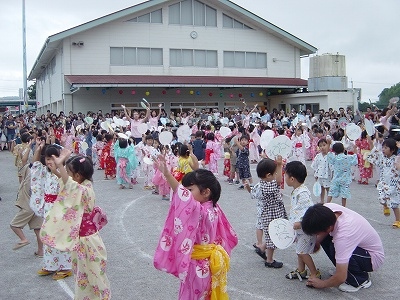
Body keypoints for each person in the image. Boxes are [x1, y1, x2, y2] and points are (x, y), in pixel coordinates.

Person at [153, 158, 238, 300]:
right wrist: (196, 169)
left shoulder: (202, 212)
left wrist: (168, 175)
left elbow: (184, 198)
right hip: (209, 262)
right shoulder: (214, 208)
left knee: (193, 295)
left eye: (189, 190)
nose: (186, 193)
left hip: (198, 265)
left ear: (206, 192)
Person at [41, 153, 111, 300]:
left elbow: (69, 185)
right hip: (82, 240)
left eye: (69, 172)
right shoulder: (84, 184)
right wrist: (56, 169)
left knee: (95, 275)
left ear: (78, 176)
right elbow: (68, 182)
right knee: (83, 276)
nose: (66, 175)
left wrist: (60, 165)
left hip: (88, 241)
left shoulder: (84, 190)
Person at [302, 203, 384, 293]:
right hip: (360, 248)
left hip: (372, 258)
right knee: (328, 241)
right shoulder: (326, 208)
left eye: (317, 234)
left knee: (336, 249)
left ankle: (360, 280)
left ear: (328, 227)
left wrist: (322, 284)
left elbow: (341, 277)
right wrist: (317, 241)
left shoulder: (344, 235)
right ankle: (346, 269)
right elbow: (324, 230)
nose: (316, 236)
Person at [30, 141, 72, 280]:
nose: (50, 161)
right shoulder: (44, 171)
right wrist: (38, 149)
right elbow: (35, 165)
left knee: (60, 236)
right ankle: (50, 264)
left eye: (53, 158)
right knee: (48, 236)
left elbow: (68, 184)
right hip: (49, 208)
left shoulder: (64, 171)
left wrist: (56, 169)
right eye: (47, 159)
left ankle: (65, 266)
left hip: (61, 208)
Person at [245, 157, 287, 269]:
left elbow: (253, 194)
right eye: (274, 173)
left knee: (271, 235)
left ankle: (262, 248)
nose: (276, 175)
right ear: (268, 175)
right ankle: (269, 260)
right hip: (272, 213)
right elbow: (279, 181)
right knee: (273, 236)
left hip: (267, 212)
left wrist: (248, 188)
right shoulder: (269, 185)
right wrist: (279, 165)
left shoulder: (260, 184)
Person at [284, 161, 320, 280]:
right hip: (299, 230)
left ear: (292, 179)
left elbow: (308, 210)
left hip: (305, 229)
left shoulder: (302, 193)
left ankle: (314, 273)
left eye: (286, 175)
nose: (285, 177)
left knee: (302, 252)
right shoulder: (297, 190)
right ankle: (301, 270)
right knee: (299, 250)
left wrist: (301, 223)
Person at [10, 163, 44, 256]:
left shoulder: (30, 170)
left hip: (28, 205)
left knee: (14, 225)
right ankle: (40, 251)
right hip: (38, 204)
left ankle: (23, 239)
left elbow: (21, 180)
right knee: (38, 229)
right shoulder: (44, 175)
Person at [366, 138, 400, 226]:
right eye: (383, 147)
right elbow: (375, 153)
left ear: (392, 150)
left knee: (394, 204)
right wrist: (370, 142)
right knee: (382, 199)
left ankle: (398, 220)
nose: (383, 149)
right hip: (384, 183)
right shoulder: (382, 158)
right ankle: (385, 206)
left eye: (386, 148)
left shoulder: (396, 159)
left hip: (394, 185)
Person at [327, 142, 357, 207]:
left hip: (336, 178)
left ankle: (326, 204)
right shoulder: (347, 158)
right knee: (344, 194)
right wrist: (355, 148)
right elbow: (355, 158)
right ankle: (343, 207)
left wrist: (329, 144)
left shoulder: (335, 158)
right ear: (343, 150)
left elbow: (329, 155)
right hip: (345, 179)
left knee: (331, 192)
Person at [311, 138, 332, 203]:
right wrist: (315, 174)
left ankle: (328, 202)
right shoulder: (318, 156)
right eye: (320, 146)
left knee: (328, 189)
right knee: (321, 188)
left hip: (327, 176)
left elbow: (332, 167)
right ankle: (321, 201)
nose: (322, 147)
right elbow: (315, 166)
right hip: (320, 175)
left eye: (324, 145)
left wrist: (333, 176)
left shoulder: (330, 155)